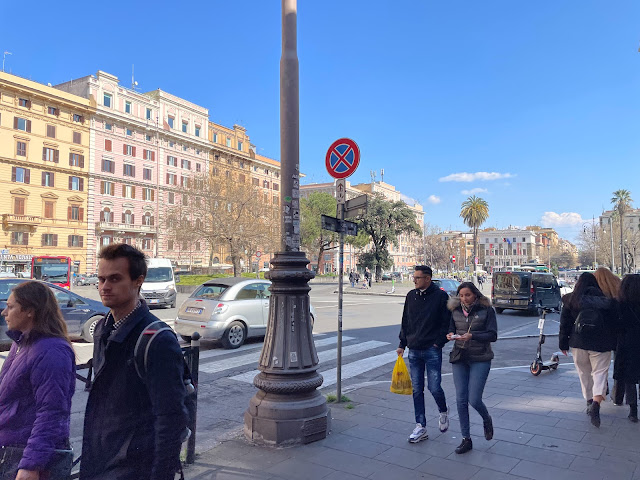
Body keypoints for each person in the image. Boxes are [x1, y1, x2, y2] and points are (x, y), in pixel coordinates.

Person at [80, 244, 188, 480]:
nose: (104, 287)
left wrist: (161, 475)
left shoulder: (157, 339)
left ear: (138, 281)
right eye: (101, 279)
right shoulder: (103, 328)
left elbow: (171, 417)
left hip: (135, 467)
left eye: (115, 279)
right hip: (102, 461)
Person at [0, 281, 75, 480]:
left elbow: (52, 412)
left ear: (29, 311)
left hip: (26, 457)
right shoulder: (22, 344)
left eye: (10, 307)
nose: (4, 312)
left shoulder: (51, 351)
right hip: (12, 450)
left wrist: (31, 465)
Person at [397, 265, 451, 443]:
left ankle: (443, 410)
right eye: (414, 277)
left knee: (434, 387)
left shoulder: (440, 296)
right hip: (414, 349)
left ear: (428, 278)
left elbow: (446, 323)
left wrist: (438, 343)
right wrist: (402, 344)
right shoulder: (411, 296)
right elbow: (406, 320)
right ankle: (420, 426)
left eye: (417, 278)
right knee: (416, 389)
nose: (414, 280)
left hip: (431, 349)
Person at [559, 272, 617, 427]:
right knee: (600, 373)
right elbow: (615, 324)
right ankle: (597, 403)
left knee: (584, 374)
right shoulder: (607, 301)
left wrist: (563, 344)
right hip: (601, 344)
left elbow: (564, 324)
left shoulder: (571, 300)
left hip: (578, 342)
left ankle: (589, 401)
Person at [446, 282, 497, 454]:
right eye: (461, 295)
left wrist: (472, 336)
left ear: (475, 294)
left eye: (467, 295)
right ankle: (466, 439)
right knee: (461, 399)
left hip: (480, 357)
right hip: (460, 357)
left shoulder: (486, 310)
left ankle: (486, 418)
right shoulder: (455, 310)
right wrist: (450, 335)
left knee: (474, 399)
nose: (464, 299)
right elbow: (451, 328)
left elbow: (493, 335)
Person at [593, 267, 622, 404]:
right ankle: (618, 395)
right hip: (618, 331)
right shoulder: (617, 285)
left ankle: (603, 389)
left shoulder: (595, 288)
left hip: (601, 332)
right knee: (619, 363)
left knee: (600, 366)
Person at [614, 274, 640, 422]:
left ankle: (633, 410)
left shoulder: (620, 305)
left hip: (628, 345)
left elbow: (617, 326)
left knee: (629, 378)